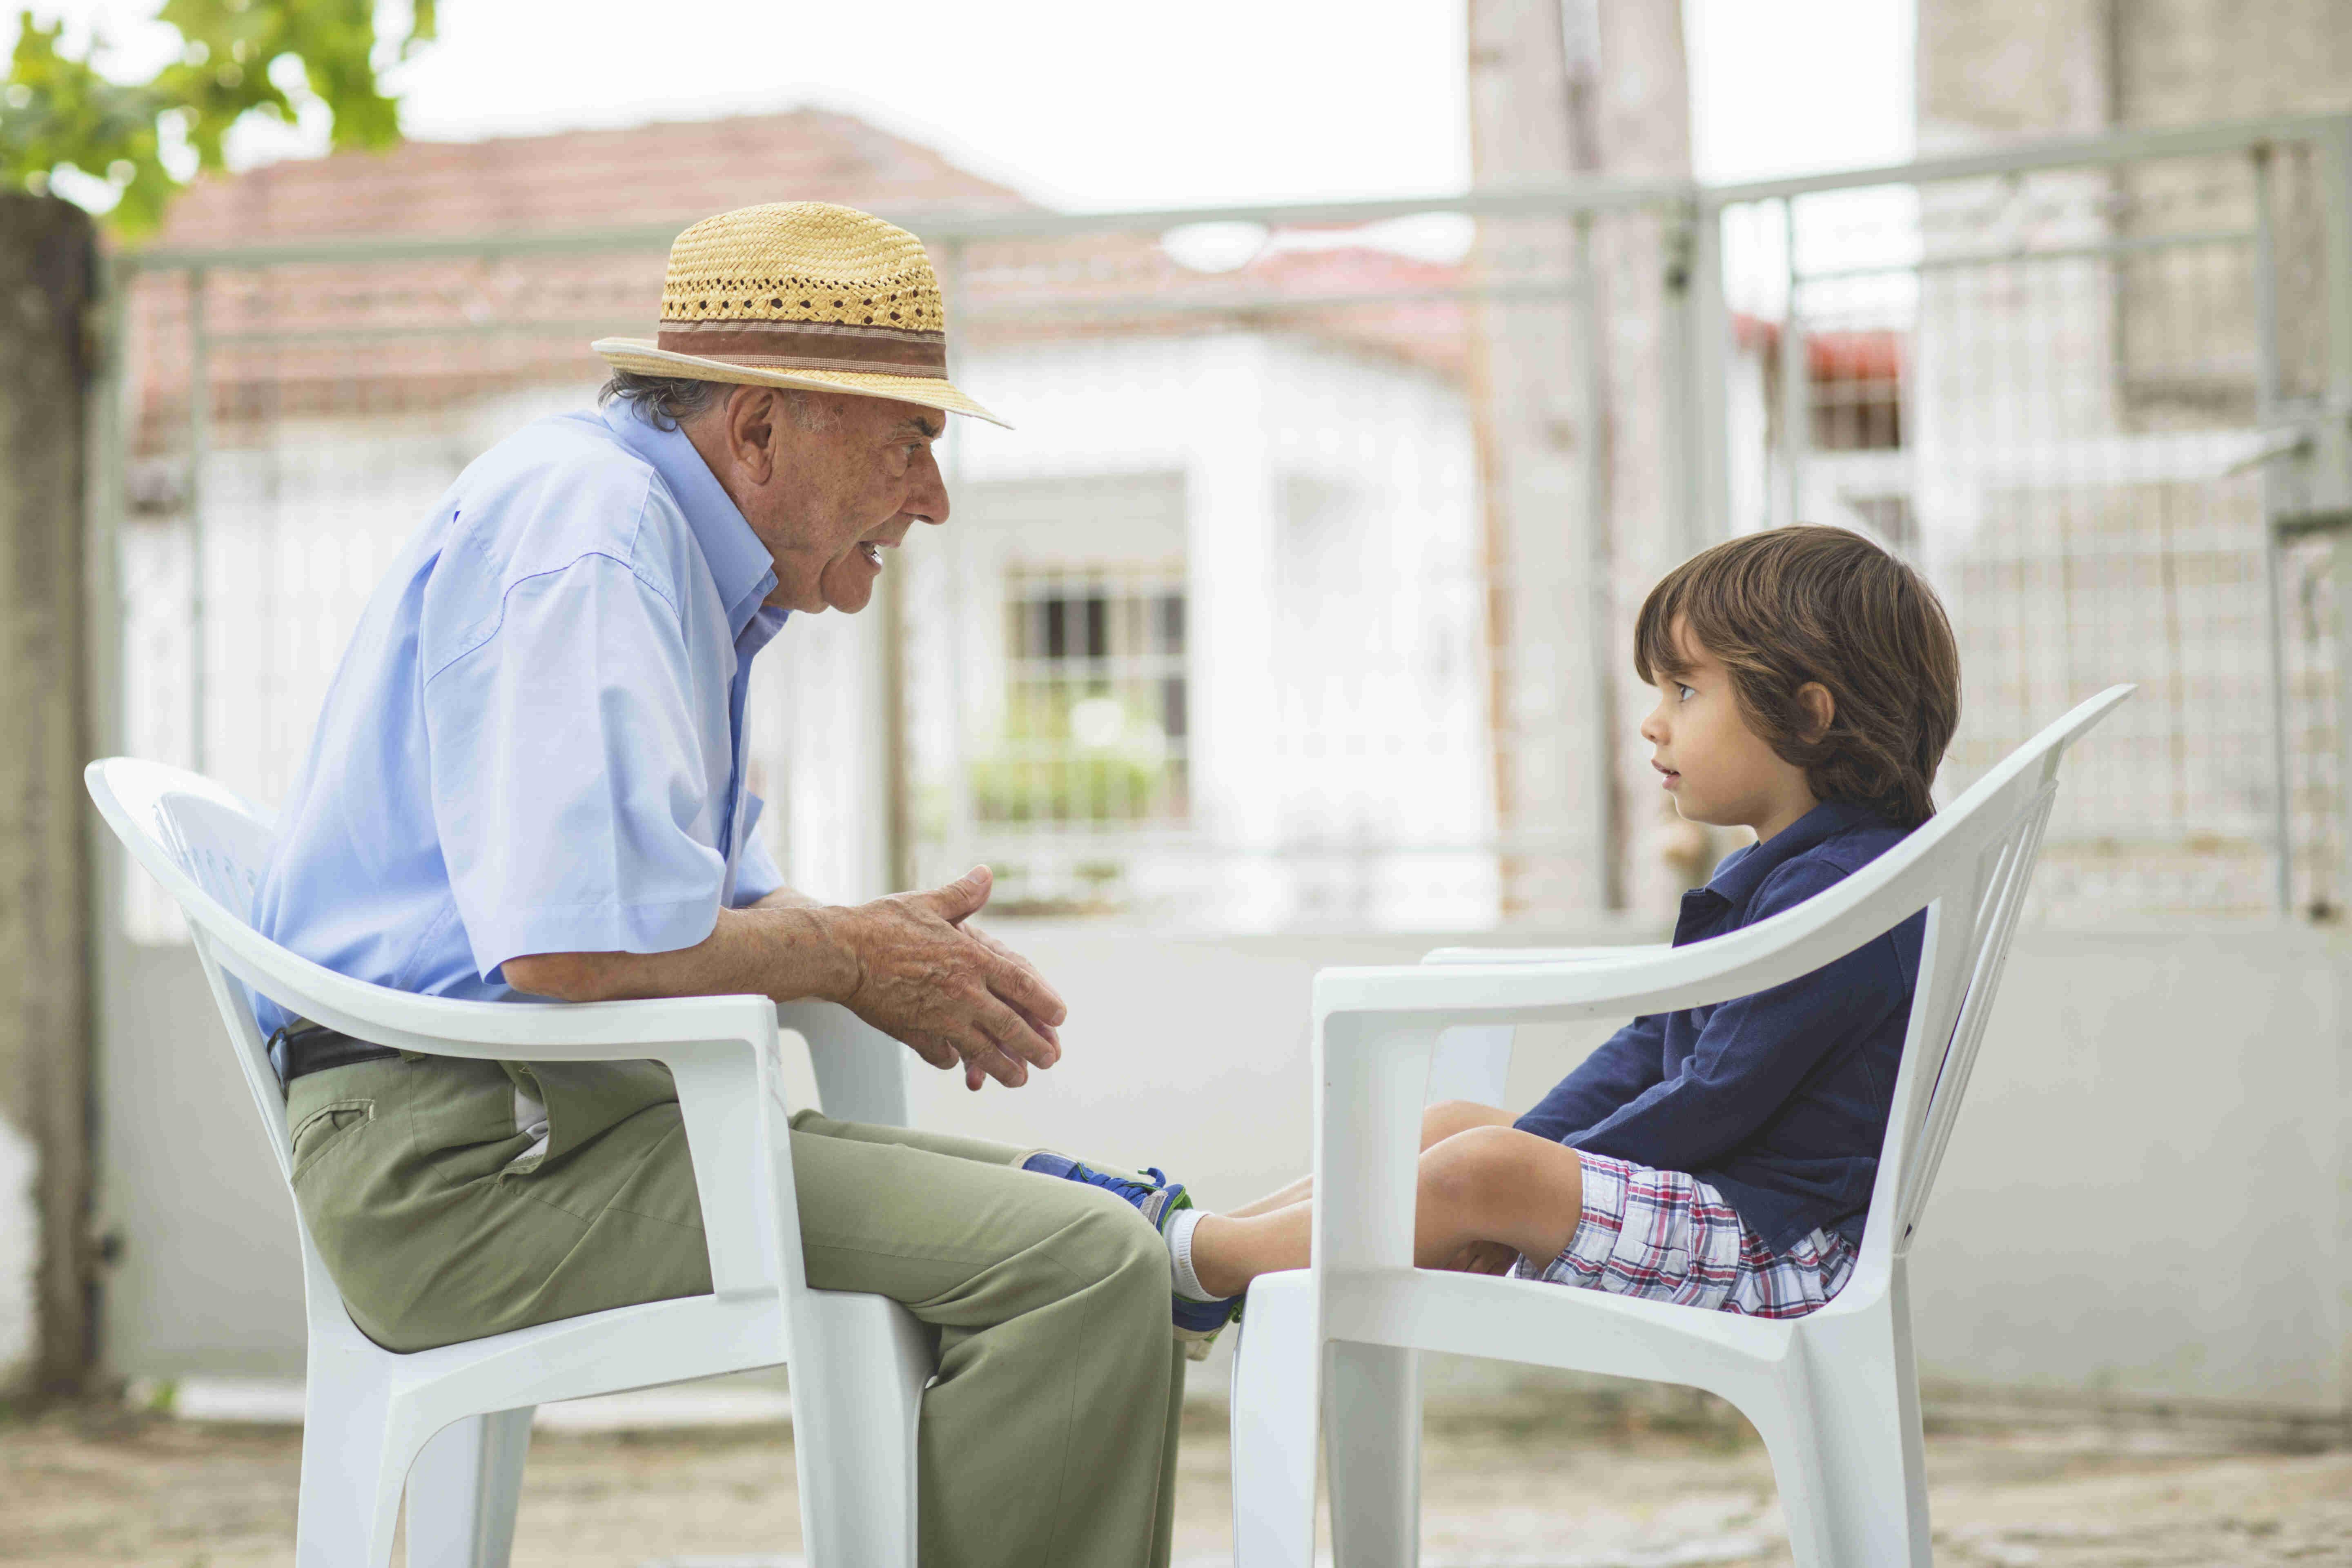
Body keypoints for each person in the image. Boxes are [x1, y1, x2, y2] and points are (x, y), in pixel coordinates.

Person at [251, 202, 1194, 1568]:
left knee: (1103, 1232)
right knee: (1082, 1269)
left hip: (560, 1128)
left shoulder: (647, 536)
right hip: (474, 1168)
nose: (932, 497)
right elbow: (573, 953)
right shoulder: (597, 531)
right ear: (758, 431)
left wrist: (858, 944)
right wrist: (850, 957)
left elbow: (692, 921)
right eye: (911, 439)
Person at [1023, 525, 1962, 1331]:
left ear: (1806, 713)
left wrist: (1521, 1190)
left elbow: (1717, 1095)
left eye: (1684, 691)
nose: (1653, 724)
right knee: (1449, 1127)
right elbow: (1652, 1052)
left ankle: (1205, 1262)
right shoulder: (1798, 874)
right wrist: (1535, 1165)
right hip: (1727, 1211)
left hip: (1781, 1248)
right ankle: (1216, 1241)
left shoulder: (1847, 893)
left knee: (1486, 1166)